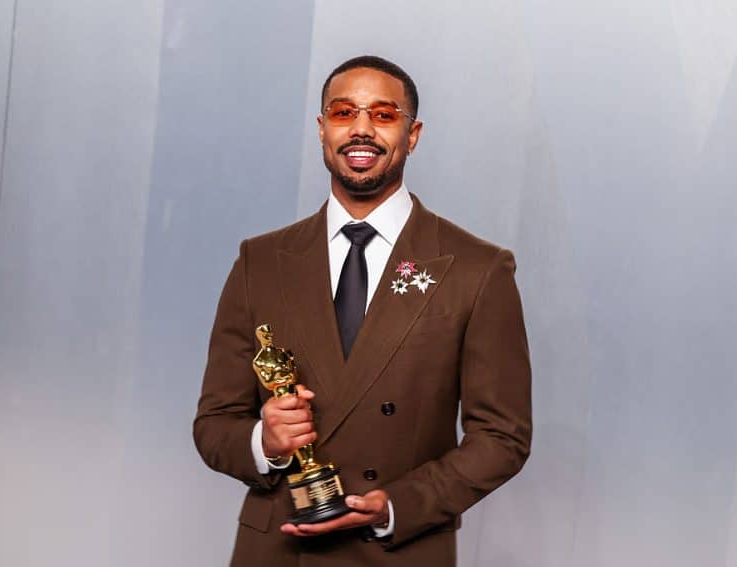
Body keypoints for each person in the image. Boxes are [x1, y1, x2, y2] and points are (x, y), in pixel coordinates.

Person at [194, 55, 532, 566]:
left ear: (412, 134)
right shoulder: (259, 262)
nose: (361, 130)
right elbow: (214, 425)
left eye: (383, 115)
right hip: (278, 549)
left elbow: (503, 436)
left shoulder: (477, 269)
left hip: (399, 549)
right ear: (322, 128)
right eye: (344, 112)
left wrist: (398, 505)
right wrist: (265, 441)